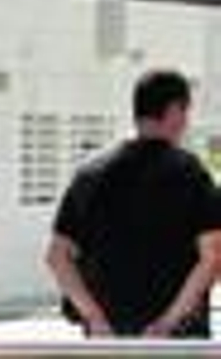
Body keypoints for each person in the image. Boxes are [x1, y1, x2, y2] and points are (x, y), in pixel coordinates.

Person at [47, 67, 221, 337]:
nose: (186, 121)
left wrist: (95, 318)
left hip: (108, 344)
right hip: (176, 344)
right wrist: (168, 322)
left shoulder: (90, 172)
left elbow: (57, 257)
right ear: (175, 111)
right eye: (186, 111)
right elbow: (212, 257)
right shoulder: (190, 173)